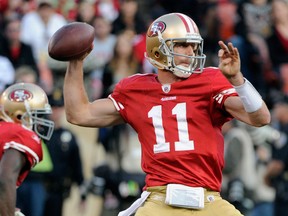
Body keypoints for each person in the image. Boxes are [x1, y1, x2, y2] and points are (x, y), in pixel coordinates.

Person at [63, 12, 271, 216]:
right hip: (160, 201)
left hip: (209, 200)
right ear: (157, 50)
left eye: (193, 45)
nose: (190, 52)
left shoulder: (209, 80)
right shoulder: (135, 89)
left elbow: (260, 118)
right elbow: (80, 114)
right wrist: (75, 62)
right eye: (182, 44)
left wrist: (237, 80)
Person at [0, 82, 54, 216]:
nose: (41, 123)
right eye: (38, 116)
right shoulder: (20, 135)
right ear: (19, 116)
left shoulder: (5, 131)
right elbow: (5, 178)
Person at [44, 88, 86, 216]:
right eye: (53, 107)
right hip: (40, 186)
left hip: (58, 190)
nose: (55, 111)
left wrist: (82, 194)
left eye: (59, 107)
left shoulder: (68, 137)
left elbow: (76, 165)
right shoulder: (40, 133)